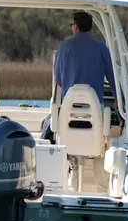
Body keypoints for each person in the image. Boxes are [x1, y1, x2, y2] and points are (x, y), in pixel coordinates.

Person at [41, 11, 116, 141]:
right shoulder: (102, 48)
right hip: (95, 112)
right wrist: (118, 100)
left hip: (69, 111)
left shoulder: (63, 47)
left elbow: (58, 79)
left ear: (75, 27)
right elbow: (111, 77)